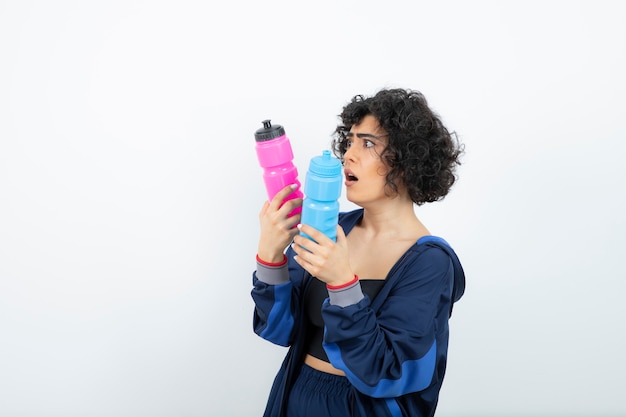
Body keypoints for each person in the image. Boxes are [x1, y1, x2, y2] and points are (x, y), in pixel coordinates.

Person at [251, 88, 466, 417]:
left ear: (408, 160)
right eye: (349, 141)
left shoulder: (430, 262)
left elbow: (386, 371)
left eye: (367, 143)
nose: (349, 154)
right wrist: (271, 256)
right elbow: (279, 329)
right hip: (294, 396)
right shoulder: (334, 230)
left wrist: (341, 283)